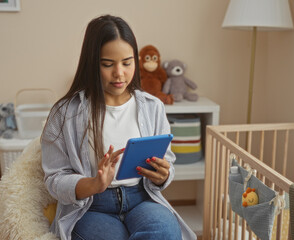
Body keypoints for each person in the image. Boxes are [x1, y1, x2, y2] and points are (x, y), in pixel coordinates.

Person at [41, 15, 196, 240]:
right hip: (92, 206)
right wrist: (93, 183)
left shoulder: (152, 107)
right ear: (91, 63)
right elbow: (54, 179)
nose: (119, 73)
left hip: (142, 199)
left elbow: (167, 161)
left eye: (127, 62)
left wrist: (163, 175)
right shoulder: (65, 113)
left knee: (164, 232)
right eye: (107, 64)